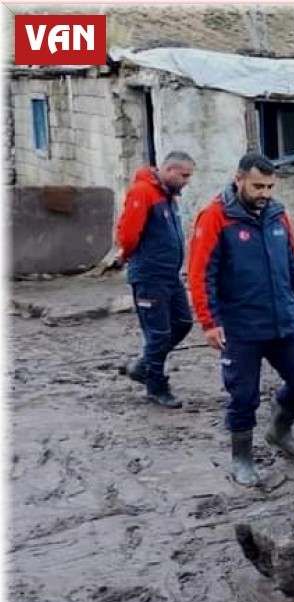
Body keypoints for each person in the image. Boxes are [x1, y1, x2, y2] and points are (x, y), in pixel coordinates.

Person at [188, 153, 294, 488]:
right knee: (244, 395)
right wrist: (209, 321)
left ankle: (279, 429)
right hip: (240, 326)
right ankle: (242, 458)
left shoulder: (276, 214)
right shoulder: (216, 216)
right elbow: (201, 273)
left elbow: (292, 259)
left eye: (270, 186)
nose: (265, 192)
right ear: (239, 179)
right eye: (258, 185)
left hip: (282, 319)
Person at [116, 151, 196, 409]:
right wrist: (126, 255)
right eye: (184, 175)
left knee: (183, 322)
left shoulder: (168, 196)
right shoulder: (143, 193)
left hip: (169, 274)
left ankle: (142, 365)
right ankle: (156, 386)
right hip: (150, 275)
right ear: (169, 170)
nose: (187, 181)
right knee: (159, 334)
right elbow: (128, 234)